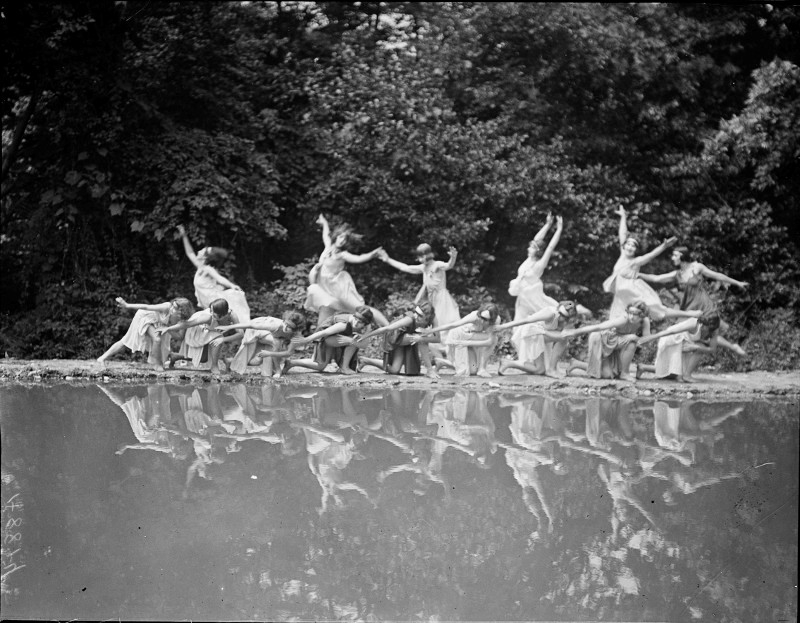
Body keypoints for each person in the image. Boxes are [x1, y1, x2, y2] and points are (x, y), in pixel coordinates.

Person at [639, 245, 748, 357]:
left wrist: (737, 283)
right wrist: (638, 274)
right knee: (696, 336)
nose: (672, 258)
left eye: (675, 255)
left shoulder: (696, 267)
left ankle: (682, 365)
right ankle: (732, 347)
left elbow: (717, 276)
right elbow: (656, 278)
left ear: (682, 256)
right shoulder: (676, 274)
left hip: (704, 306)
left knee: (702, 335)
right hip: (689, 309)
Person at [602, 206, 697, 322]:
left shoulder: (636, 261)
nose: (630, 247)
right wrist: (623, 217)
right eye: (628, 244)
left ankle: (689, 314)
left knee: (659, 311)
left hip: (634, 294)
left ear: (636, 250)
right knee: (617, 322)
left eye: (633, 246)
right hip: (621, 297)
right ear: (624, 246)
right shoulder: (622, 255)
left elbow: (652, 255)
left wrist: (664, 246)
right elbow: (622, 234)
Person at [304, 214, 388, 326]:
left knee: (361, 308)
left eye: (345, 239)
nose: (342, 241)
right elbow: (326, 233)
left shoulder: (342, 254)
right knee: (324, 318)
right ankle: (319, 340)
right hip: (325, 289)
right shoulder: (328, 246)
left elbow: (359, 259)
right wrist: (324, 223)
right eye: (341, 237)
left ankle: (389, 326)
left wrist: (372, 254)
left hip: (338, 288)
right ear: (336, 236)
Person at [378, 243, 460, 340]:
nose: (420, 259)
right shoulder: (423, 267)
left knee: (444, 321)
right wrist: (388, 259)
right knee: (434, 322)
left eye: (422, 256)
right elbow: (405, 267)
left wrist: (453, 257)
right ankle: (438, 346)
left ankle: (449, 344)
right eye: (419, 257)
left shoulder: (437, 265)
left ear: (428, 255)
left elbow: (448, 265)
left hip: (442, 298)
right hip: (431, 298)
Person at [565, 300, 661, 382]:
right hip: (604, 340)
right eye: (630, 313)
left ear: (642, 315)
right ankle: (577, 364)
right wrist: (575, 332)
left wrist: (635, 337)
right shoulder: (623, 319)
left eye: (635, 314)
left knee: (631, 344)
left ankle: (624, 373)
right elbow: (599, 326)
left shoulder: (645, 321)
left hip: (618, 341)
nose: (631, 317)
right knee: (605, 375)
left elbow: (646, 342)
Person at [177, 224, 250, 323]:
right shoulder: (201, 267)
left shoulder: (208, 269)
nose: (199, 251)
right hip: (209, 302)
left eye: (202, 251)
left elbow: (220, 279)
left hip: (214, 299)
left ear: (205, 258)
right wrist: (184, 236)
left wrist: (232, 285)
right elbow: (190, 253)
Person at [97, 296, 194, 369]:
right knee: (130, 340)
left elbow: (180, 337)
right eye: (172, 306)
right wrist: (127, 305)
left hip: (160, 324)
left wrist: (168, 328)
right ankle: (158, 365)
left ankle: (161, 362)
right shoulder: (166, 307)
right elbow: (147, 307)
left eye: (175, 309)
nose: (171, 309)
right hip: (145, 317)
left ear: (182, 312)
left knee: (162, 343)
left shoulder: (185, 320)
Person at [157, 298, 243, 374]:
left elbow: (240, 334)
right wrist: (168, 328)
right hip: (197, 329)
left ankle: (175, 356)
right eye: (211, 310)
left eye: (214, 313)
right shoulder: (208, 316)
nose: (211, 312)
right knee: (216, 339)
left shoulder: (232, 315)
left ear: (223, 314)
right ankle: (214, 366)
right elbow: (188, 324)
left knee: (204, 358)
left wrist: (223, 339)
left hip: (209, 331)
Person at [495, 300, 580, 377]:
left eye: (565, 317)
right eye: (561, 315)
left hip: (540, 333)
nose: (561, 318)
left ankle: (508, 363)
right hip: (532, 332)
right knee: (563, 337)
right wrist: (503, 326)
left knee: (539, 370)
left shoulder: (564, 320)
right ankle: (551, 370)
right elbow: (527, 320)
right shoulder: (550, 313)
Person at [282, 305, 374, 375]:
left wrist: (351, 340)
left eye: (360, 322)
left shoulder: (367, 326)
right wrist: (306, 339)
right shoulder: (344, 324)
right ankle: (344, 367)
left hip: (339, 338)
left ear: (365, 323)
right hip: (326, 337)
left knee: (320, 367)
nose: (356, 323)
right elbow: (324, 333)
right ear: (353, 316)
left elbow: (364, 344)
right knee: (353, 341)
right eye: (355, 319)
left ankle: (291, 363)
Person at [357, 303, 440, 377]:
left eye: (420, 316)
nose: (416, 316)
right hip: (395, 336)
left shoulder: (433, 319)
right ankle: (430, 370)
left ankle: (365, 360)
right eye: (416, 313)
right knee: (422, 339)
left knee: (394, 370)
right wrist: (366, 335)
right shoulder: (410, 318)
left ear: (428, 317)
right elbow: (387, 328)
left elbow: (437, 339)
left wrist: (420, 338)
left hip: (408, 336)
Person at [636, 312, 721, 382]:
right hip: (672, 340)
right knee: (675, 372)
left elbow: (712, 349)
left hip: (685, 343)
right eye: (702, 324)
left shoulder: (714, 331)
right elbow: (672, 331)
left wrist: (695, 347)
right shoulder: (694, 322)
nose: (703, 327)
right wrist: (652, 337)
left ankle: (643, 367)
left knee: (672, 373)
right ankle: (686, 376)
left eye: (706, 326)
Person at [418, 303, 500, 377]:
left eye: (485, 319)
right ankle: (475, 368)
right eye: (481, 317)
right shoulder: (474, 315)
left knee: (473, 370)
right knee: (463, 372)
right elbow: (453, 325)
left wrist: (466, 343)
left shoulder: (496, 321)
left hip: (468, 339)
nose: (482, 321)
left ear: (492, 319)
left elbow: (489, 342)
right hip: (458, 335)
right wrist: (430, 331)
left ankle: (443, 362)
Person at [224, 310, 306, 377]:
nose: (285, 328)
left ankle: (230, 361)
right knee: (276, 343)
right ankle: (278, 370)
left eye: (289, 327)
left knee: (257, 360)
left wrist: (270, 353)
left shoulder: (296, 336)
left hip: (270, 335)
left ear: (296, 329)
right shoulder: (275, 325)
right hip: (256, 330)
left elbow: (288, 353)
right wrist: (229, 327)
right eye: (285, 324)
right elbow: (252, 325)